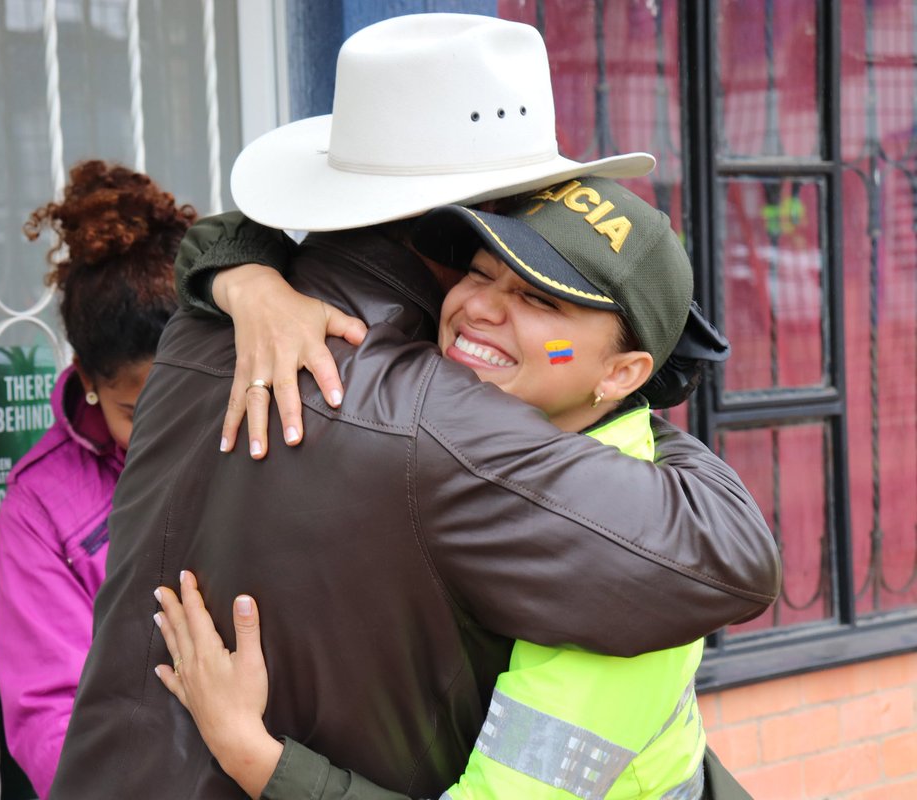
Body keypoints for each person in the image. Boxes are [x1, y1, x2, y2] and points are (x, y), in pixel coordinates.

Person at [51, 15, 779, 799]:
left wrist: (240, 272)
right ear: (464, 222)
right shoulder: (451, 425)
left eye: (539, 288)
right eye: (494, 249)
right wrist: (649, 388)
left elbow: (219, 240)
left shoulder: (202, 329)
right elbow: (728, 556)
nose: (491, 302)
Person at [152, 179, 740, 799]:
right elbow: (224, 229)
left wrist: (254, 756)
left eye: (541, 301)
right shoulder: (506, 391)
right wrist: (253, 289)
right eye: (481, 272)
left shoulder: (626, 563)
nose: (480, 308)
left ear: (622, 373)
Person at [0, 160, 194, 798]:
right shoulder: (38, 509)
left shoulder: (249, 427)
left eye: (181, 399)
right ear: (86, 377)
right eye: (136, 412)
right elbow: (49, 718)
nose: (162, 431)